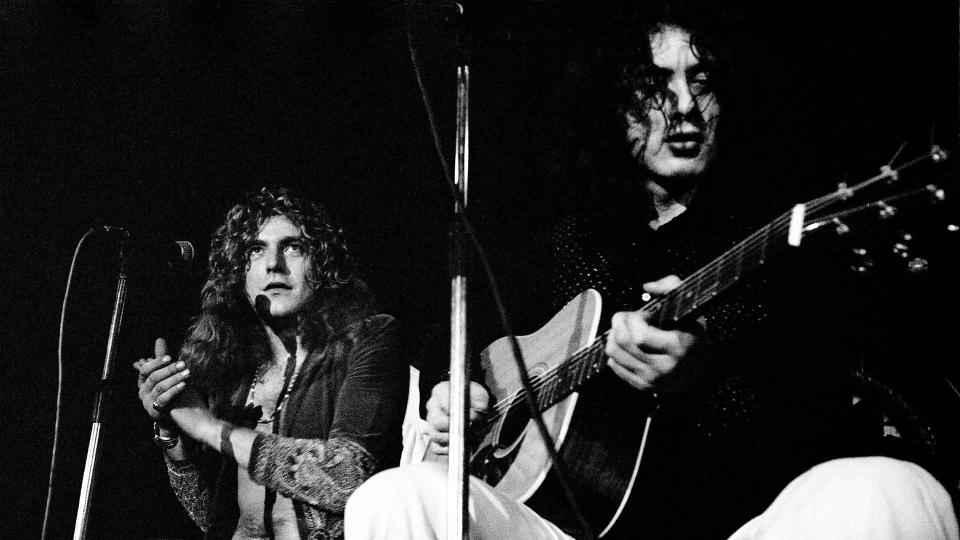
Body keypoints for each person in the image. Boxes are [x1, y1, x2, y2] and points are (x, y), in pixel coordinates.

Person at [343, 2, 959, 539]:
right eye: (656, 84)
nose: (685, 106)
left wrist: (707, 377)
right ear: (617, 105)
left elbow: (821, 414)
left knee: (891, 488)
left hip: (740, 523)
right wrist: (464, 392)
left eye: (703, 80)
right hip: (561, 526)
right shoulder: (569, 239)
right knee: (392, 496)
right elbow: (470, 342)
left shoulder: (777, 241)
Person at [135, 187, 409, 539]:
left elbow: (347, 476)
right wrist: (172, 433)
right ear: (238, 271)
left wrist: (205, 426)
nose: (273, 264)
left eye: (293, 247)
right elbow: (213, 518)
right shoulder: (231, 368)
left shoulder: (368, 338)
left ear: (323, 263)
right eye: (255, 249)